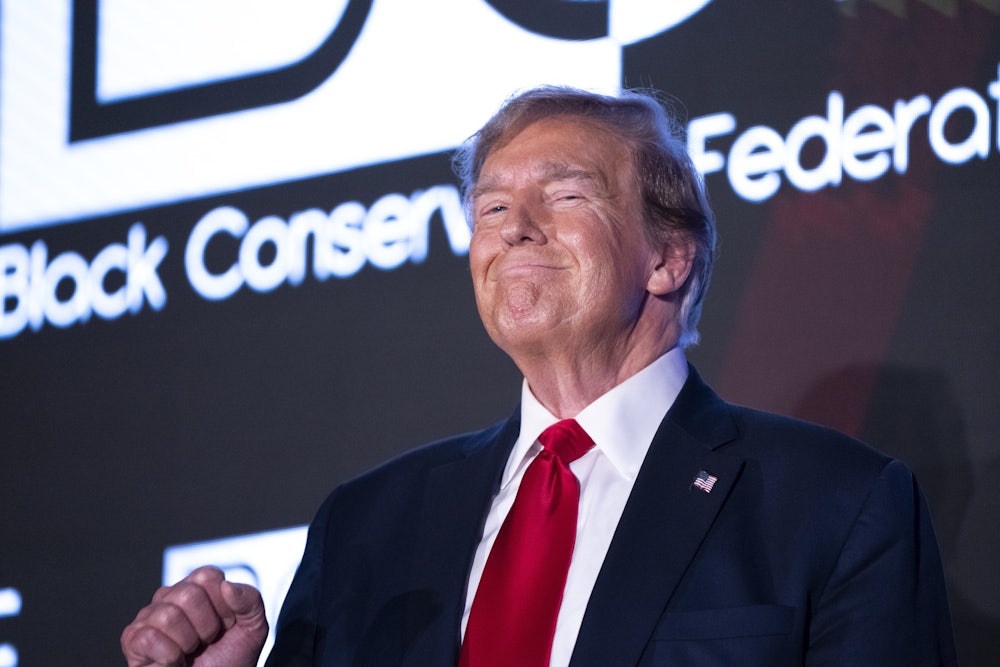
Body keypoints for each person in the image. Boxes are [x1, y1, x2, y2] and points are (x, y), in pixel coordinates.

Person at [121, 86, 957, 666]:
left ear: (668, 257)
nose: (513, 229)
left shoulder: (834, 504)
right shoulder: (365, 527)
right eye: (490, 207)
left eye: (564, 196)